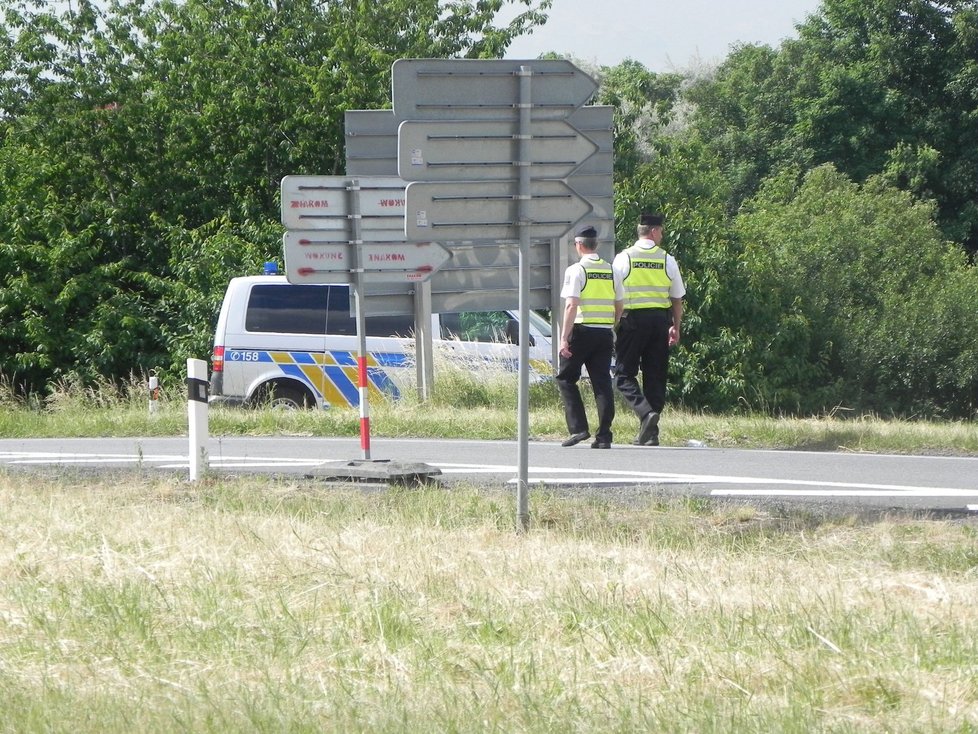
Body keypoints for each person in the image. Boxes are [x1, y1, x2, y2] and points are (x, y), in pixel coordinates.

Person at [612, 213, 686, 446]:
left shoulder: (624, 258)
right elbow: (677, 299)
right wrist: (676, 326)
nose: (662, 235)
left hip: (633, 322)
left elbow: (614, 294)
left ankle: (645, 414)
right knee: (655, 377)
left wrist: (612, 323)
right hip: (659, 323)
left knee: (623, 375)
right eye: (661, 231)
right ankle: (652, 433)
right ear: (653, 231)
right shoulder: (667, 260)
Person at [557, 225, 624, 449]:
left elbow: (571, 305)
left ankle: (579, 429)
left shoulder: (576, 270)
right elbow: (619, 304)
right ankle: (604, 436)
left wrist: (564, 337)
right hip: (604, 333)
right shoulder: (612, 270)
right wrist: (610, 325)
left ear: (578, 245)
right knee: (602, 383)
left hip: (581, 330)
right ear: (596, 245)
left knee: (566, 379)